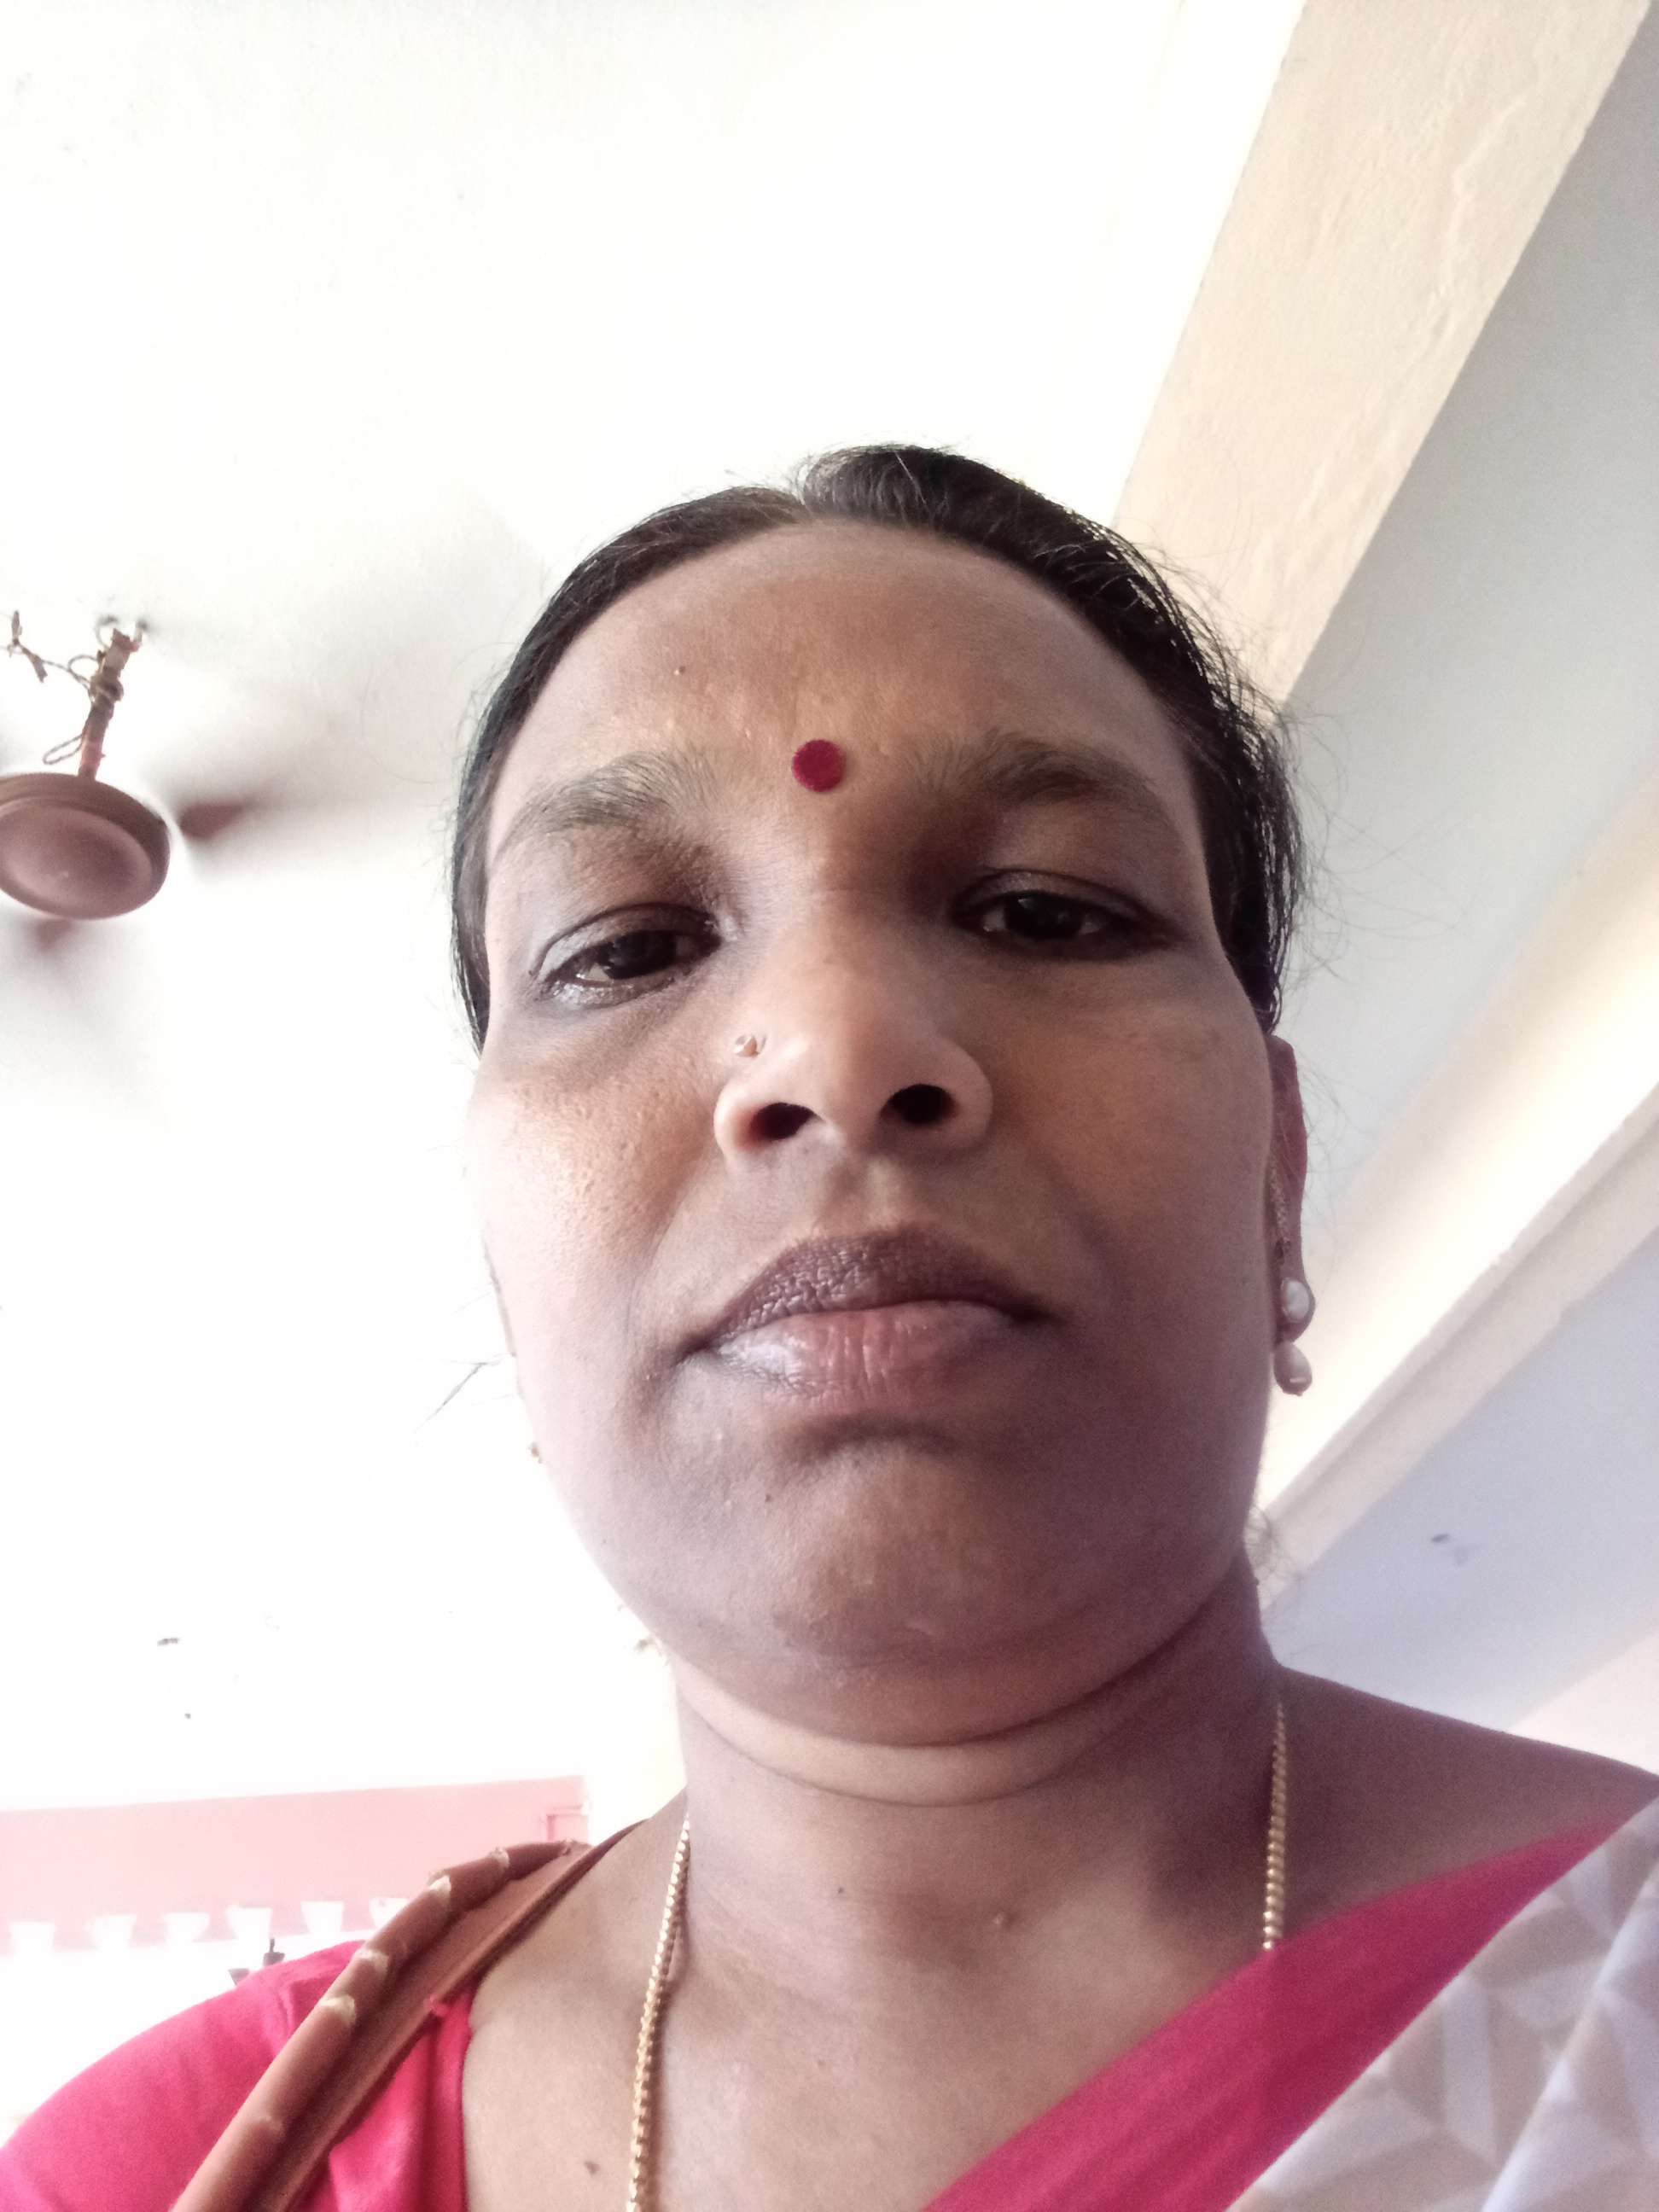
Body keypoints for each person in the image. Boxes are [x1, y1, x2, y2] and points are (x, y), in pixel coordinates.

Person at [5, 445, 1656, 2212]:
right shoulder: (166, 2173)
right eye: (628, 948)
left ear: (1280, 1183)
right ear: (503, 1263)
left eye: (1046, 910)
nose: (839, 1047)